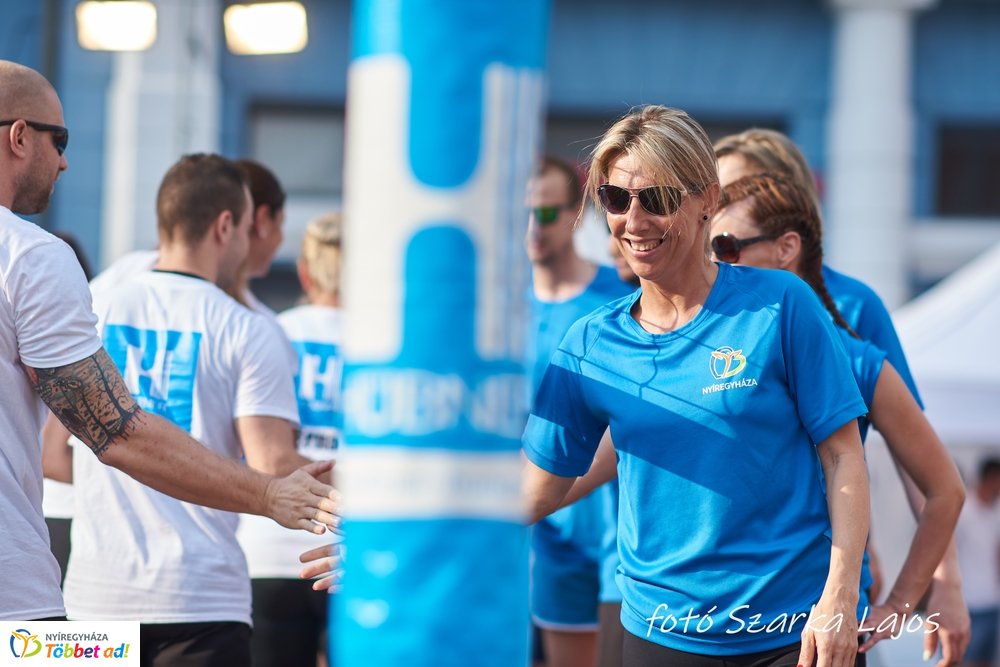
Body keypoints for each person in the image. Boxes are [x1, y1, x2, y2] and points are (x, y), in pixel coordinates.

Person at [522, 105, 870, 667]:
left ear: (707, 200)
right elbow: (533, 490)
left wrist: (840, 594)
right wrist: (398, 537)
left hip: (791, 633)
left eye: (655, 199)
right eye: (615, 199)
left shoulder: (781, 304)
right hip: (657, 635)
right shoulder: (590, 343)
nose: (633, 221)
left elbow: (843, 456)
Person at [0, 59, 335, 623]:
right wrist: (270, 495)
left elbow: (58, 453)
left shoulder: (104, 286)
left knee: (89, 656)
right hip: (20, 616)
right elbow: (115, 430)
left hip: (95, 597)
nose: (64, 160)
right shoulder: (30, 256)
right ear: (17, 136)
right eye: (59, 139)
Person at [712, 129, 971, 666]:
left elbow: (926, 474)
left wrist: (940, 583)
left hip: (816, 604)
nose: (717, 223)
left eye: (738, 194)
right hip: (699, 608)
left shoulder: (854, 318)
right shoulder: (706, 310)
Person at [61, 154, 313, 667]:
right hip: (202, 602)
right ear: (225, 227)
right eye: (245, 227)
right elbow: (273, 467)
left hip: (91, 599)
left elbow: (50, 454)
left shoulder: (92, 307)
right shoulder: (249, 328)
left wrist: (123, 484)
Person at [525, 155, 634, 667]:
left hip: (622, 532)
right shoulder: (502, 313)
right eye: (522, 213)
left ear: (573, 216)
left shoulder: (619, 298)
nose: (532, 228)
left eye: (546, 214)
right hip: (547, 532)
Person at [237, 212, 345, 667]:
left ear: (304, 271)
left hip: (268, 545)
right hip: (349, 542)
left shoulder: (271, 330)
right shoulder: (385, 343)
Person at [955, 458, 1000, 667]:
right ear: (990, 478)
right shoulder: (964, 512)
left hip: (992, 602)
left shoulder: (996, 512)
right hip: (967, 603)